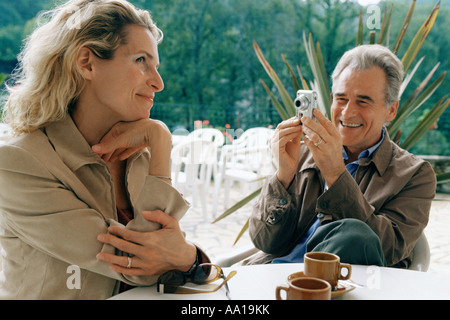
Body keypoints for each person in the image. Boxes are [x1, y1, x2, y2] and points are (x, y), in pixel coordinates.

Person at [0, 0, 207, 299]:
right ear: (87, 62)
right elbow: (137, 266)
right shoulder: (18, 164)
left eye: (155, 66)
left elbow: (168, 259)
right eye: (140, 61)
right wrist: (161, 140)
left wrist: (189, 257)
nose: (158, 83)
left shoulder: (137, 157)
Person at [247, 44, 436, 268]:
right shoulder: (301, 155)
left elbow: (387, 250)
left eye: (363, 101)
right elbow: (263, 241)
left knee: (354, 234)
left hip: (336, 287)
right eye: (342, 99)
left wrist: (336, 174)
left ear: (391, 110)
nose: (347, 112)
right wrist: (283, 177)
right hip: (271, 275)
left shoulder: (415, 175)